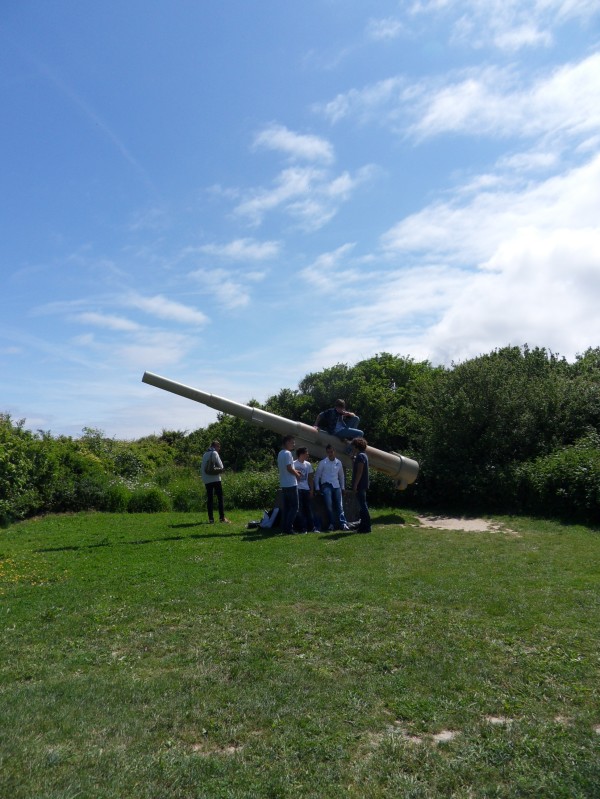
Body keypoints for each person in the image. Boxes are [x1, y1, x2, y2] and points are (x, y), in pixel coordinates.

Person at [314, 443, 349, 531]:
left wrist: (343, 487)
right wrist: (317, 488)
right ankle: (331, 523)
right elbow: (317, 476)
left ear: (334, 451)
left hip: (336, 485)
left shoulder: (338, 462)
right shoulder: (323, 462)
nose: (330, 453)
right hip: (326, 484)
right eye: (328, 452)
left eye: (331, 452)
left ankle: (343, 524)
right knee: (329, 504)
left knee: (339, 505)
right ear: (326, 452)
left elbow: (341, 476)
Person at [200, 440, 230, 524]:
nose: (219, 448)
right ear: (214, 446)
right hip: (215, 478)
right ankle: (222, 518)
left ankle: (211, 519)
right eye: (218, 446)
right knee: (220, 498)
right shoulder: (214, 453)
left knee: (210, 499)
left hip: (206, 479)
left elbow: (202, 468)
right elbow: (221, 466)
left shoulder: (205, 454)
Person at [277, 435, 301, 535]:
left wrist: (295, 471)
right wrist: (297, 475)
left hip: (284, 483)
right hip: (291, 483)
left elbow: (286, 468)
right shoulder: (288, 453)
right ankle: (289, 528)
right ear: (287, 442)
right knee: (295, 507)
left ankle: (285, 527)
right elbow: (289, 468)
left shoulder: (280, 453)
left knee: (287, 507)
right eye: (292, 442)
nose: (294, 444)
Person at [293, 447, 319, 533]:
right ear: (301, 454)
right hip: (297, 488)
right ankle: (302, 528)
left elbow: (310, 478)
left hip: (306, 488)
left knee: (309, 508)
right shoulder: (294, 463)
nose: (308, 455)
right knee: (300, 509)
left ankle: (312, 527)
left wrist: (311, 490)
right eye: (306, 453)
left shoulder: (308, 464)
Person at [350, 437, 371, 533]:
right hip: (362, 484)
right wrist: (353, 458)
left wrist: (355, 484)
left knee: (363, 506)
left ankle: (366, 527)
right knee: (362, 505)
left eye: (353, 446)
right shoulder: (363, 455)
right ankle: (363, 526)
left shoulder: (361, 456)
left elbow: (359, 471)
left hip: (360, 485)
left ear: (356, 446)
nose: (352, 448)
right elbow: (356, 467)